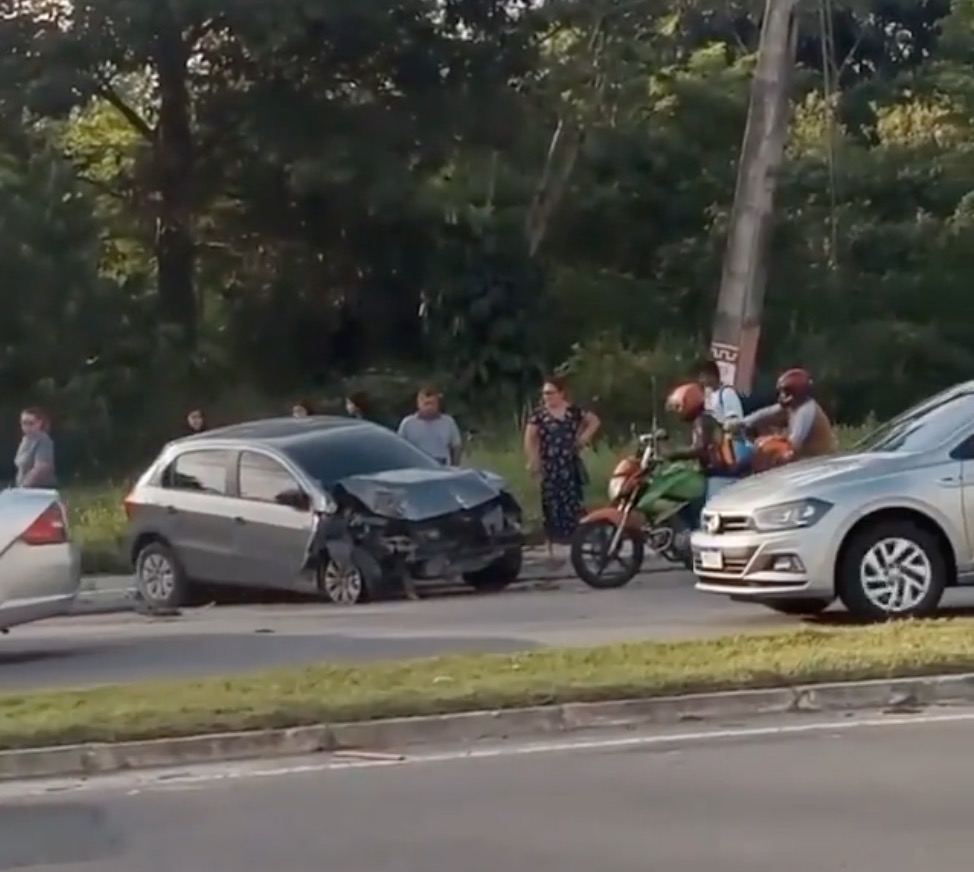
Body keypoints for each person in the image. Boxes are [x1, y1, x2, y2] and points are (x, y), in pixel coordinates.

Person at [524, 376, 601, 561]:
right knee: (550, 503)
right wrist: (533, 459)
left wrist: (583, 439)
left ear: (561, 393)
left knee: (572, 501)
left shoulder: (573, 412)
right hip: (549, 465)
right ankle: (553, 545)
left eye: (550, 393)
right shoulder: (539, 415)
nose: (547, 397)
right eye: (544, 394)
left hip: (568, 463)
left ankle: (575, 542)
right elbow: (530, 437)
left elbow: (594, 421)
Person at [731, 368, 837, 460]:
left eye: (785, 392)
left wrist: (770, 440)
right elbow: (765, 414)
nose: (781, 396)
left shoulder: (805, 411)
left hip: (817, 461)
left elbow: (794, 443)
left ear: (796, 391)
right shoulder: (793, 406)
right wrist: (741, 423)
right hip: (806, 460)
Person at [397, 386, 463, 465]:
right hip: (416, 466)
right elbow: (400, 447)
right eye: (426, 404)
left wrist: (454, 467)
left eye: (432, 403)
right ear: (418, 403)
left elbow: (456, 447)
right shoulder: (407, 423)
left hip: (442, 465)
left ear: (438, 404)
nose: (429, 407)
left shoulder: (448, 422)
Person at [15, 407, 56, 488]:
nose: (27, 427)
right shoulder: (25, 440)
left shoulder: (43, 440)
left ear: (39, 423)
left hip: (40, 488)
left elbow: (41, 466)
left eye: (31, 423)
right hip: (24, 487)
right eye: (24, 423)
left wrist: (25, 485)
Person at [696, 358, 744, 425]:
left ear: (711, 375)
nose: (701, 380)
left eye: (703, 377)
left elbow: (735, 421)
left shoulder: (727, 393)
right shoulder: (709, 395)